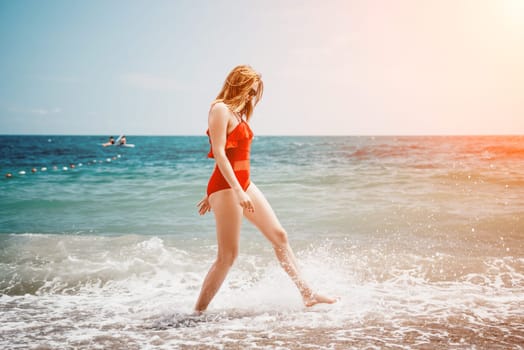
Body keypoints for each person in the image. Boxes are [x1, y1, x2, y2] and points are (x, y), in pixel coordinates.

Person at [195, 65, 336, 313]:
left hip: (243, 184)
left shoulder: (238, 114)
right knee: (228, 256)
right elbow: (219, 153)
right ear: (238, 84)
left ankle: (308, 294)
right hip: (230, 188)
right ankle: (198, 312)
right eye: (250, 91)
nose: (251, 97)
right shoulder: (220, 109)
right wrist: (234, 191)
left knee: (279, 236)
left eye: (254, 93)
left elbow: (235, 156)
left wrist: (236, 189)